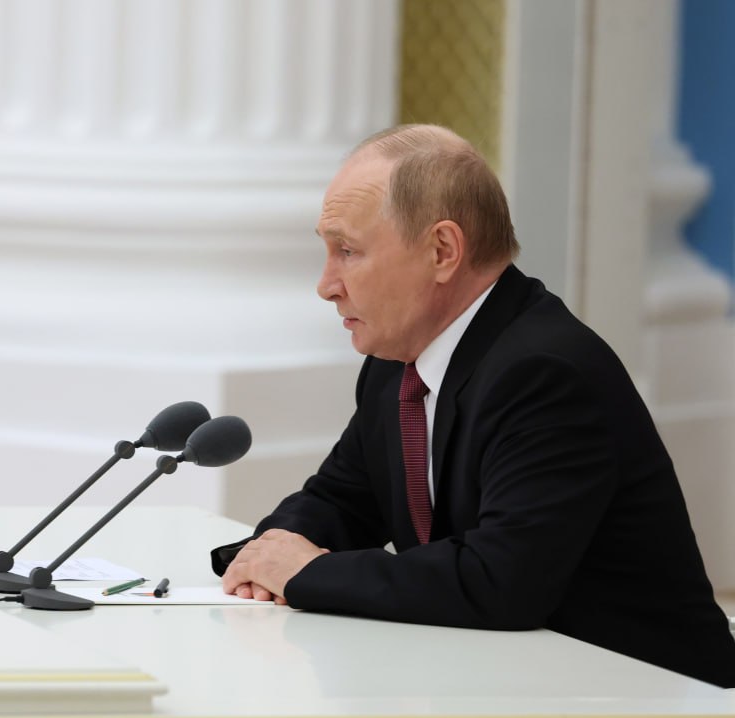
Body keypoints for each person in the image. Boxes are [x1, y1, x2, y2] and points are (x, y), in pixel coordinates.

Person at [213, 123, 735, 688]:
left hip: (652, 702)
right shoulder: (397, 364)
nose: (326, 285)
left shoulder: (545, 372)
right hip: (525, 685)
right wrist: (267, 555)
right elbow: (340, 500)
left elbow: (501, 580)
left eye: (348, 251)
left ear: (442, 251)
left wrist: (308, 573)